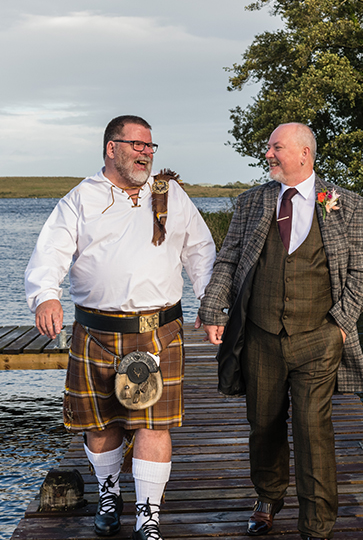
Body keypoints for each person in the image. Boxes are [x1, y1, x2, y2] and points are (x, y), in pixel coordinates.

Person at [25, 115, 215, 540]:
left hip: (158, 330)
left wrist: (209, 299)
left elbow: (200, 248)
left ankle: (149, 517)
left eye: (150, 146)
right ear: (111, 148)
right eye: (137, 145)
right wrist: (46, 295)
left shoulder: (170, 193)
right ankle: (110, 493)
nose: (146, 153)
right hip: (96, 331)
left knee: (153, 425)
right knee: (102, 424)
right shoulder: (81, 198)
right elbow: (49, 252)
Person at [196, 122, 363, 540]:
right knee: (264, 424)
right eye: (269, 148)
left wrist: (341, 325)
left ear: (304, 154)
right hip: (260, 336)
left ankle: (316, 524)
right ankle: (268, 497)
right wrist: (212, 309)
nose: (269, 155)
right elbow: (228, 260)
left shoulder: (344, 203)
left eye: (276, 148)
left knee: (314, 429)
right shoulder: (252, 202)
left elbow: (362, 269)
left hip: (320, 337)